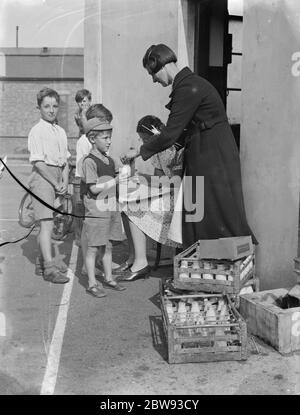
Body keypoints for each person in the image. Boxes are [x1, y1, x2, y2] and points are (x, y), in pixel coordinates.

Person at [122, 43, 257, 249]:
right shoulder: (188, 84)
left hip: (212, 154)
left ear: (162, 65)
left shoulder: (187, 88)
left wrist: (140, 152)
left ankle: (218, 258)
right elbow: (181, 132)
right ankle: (203, 260)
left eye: (152, 73)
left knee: (212, 208)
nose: (153, 80)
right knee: (203, 209)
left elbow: (170, 133)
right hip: (207, 151)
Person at [117, 115, 183, 282]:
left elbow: (175, 181)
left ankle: (141, 263)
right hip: (167, 193)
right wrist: (140, 177)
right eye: (142, 139)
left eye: (146, 139)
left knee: (134, 207)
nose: (145, 143)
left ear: (154, 135)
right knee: (125, 205)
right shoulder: (156, 151)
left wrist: (145, 182)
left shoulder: (175, 147)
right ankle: (133, 257)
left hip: (179, 198)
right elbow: (159, 179)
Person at [28, 87, 70, 284]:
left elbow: (65, 161)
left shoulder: (60, 131)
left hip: (57, 178)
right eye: (47, 106)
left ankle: (41, 261)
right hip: (43, 178)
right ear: (39, 108)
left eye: (55, 106)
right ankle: (49, 269)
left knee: (52, 223)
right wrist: (55, 183)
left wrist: (64, 182)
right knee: (46, 224)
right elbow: (38, 163)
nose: (51, 110)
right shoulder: (36, 131)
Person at [75, 104, 123, 276]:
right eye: (105, 122)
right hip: (89, 186)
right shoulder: (84, 142)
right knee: (90, 229)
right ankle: (88, 264)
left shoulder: (99, 140)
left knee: (100, 229)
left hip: (100, 186)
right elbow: (85, 168)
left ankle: (100, 261)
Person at [81, 117, 126, 297]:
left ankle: (108, 278)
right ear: (92, 139)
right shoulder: (89, 161)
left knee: (107, 245)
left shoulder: (110, 160)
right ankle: (92, 283)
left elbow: (122, 173)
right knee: (93, 247)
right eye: (105, 138)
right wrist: (115, 181)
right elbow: (92, 187)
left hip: (110, 207)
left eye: (109, 137)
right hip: (96, 210)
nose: (109, 141)